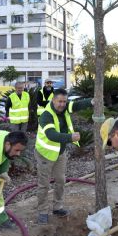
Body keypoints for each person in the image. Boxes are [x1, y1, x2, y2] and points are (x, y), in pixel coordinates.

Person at [35, 88, 91, 224]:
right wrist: (70, 137)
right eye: (59, 101)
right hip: (45, 154)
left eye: (64, 102)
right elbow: (51, 135)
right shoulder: (46, 115)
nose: (62, 104)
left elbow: (76, 105)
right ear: (53, 100)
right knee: (44, 184)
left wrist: (92, 101)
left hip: (60, 153)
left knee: (60, 180)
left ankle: (57, 207)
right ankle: (42, 211)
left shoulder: (64, 108)